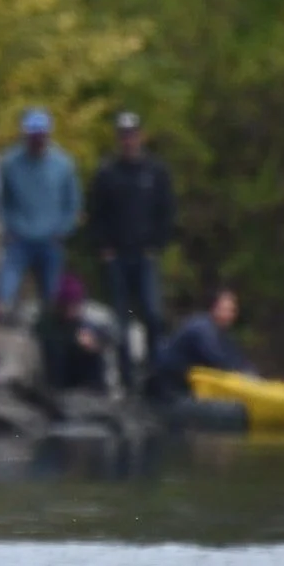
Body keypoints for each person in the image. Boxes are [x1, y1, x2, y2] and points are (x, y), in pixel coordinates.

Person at [86, 111, 175, 378]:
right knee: (121, 318)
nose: (128, 140)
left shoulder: (156, 171)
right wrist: (104, 247)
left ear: (141, 136)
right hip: (117, 256)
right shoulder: (107, 173)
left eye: (132, 135)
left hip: (145, 254)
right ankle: (126, 376)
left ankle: (155, 372)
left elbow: (167, 210)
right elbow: (95, 213)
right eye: (124, 135)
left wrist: (157, 244)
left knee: (152, 314)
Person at [0, 107, 80, 311]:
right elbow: (0, 200)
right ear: (25, 134)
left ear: (48, 134)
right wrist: (8, 227)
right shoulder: (10, 163)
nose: (37, 139)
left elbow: (73, 203)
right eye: (32, 135)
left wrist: (63, 230)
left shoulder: (63, 164)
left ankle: (47, 332)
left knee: (50, 296)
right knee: (5, 290)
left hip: (50, 239)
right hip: (19, 237)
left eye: (41, 134)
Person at [150, 288, 252, 399]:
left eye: (232, 311)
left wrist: (251, 374)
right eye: (225, 309)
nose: (229, 315)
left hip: (183, 386)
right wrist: (245, 377)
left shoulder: (221, 334)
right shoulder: (201, 328)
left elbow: (236, 358)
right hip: (168, 389)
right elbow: (217, 359)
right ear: (214, 308)